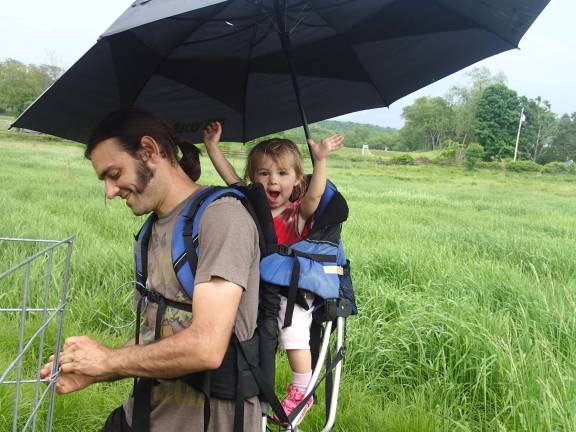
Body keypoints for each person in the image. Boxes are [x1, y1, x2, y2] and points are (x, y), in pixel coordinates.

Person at [40, 110, 262, 432]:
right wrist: (95, 369)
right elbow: (161, 335)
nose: (110, 191)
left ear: (149, 151)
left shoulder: (223, 218)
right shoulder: (155, 227)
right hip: (141, 415)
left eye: (114, 173)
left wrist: (106, 360)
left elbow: (206, 346)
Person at [203, 122, 344, 424]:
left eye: (282, 174)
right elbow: (230, 177)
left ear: (296, 180)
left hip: (292, 290)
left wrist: (320, 160)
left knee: (292, 333)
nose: (272, 181)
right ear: (254, 179)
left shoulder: (296, 214)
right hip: (260, 287)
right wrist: (213, 147)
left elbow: (315, 197)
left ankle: (301, 390)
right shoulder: (252, 206)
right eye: (263, 174)